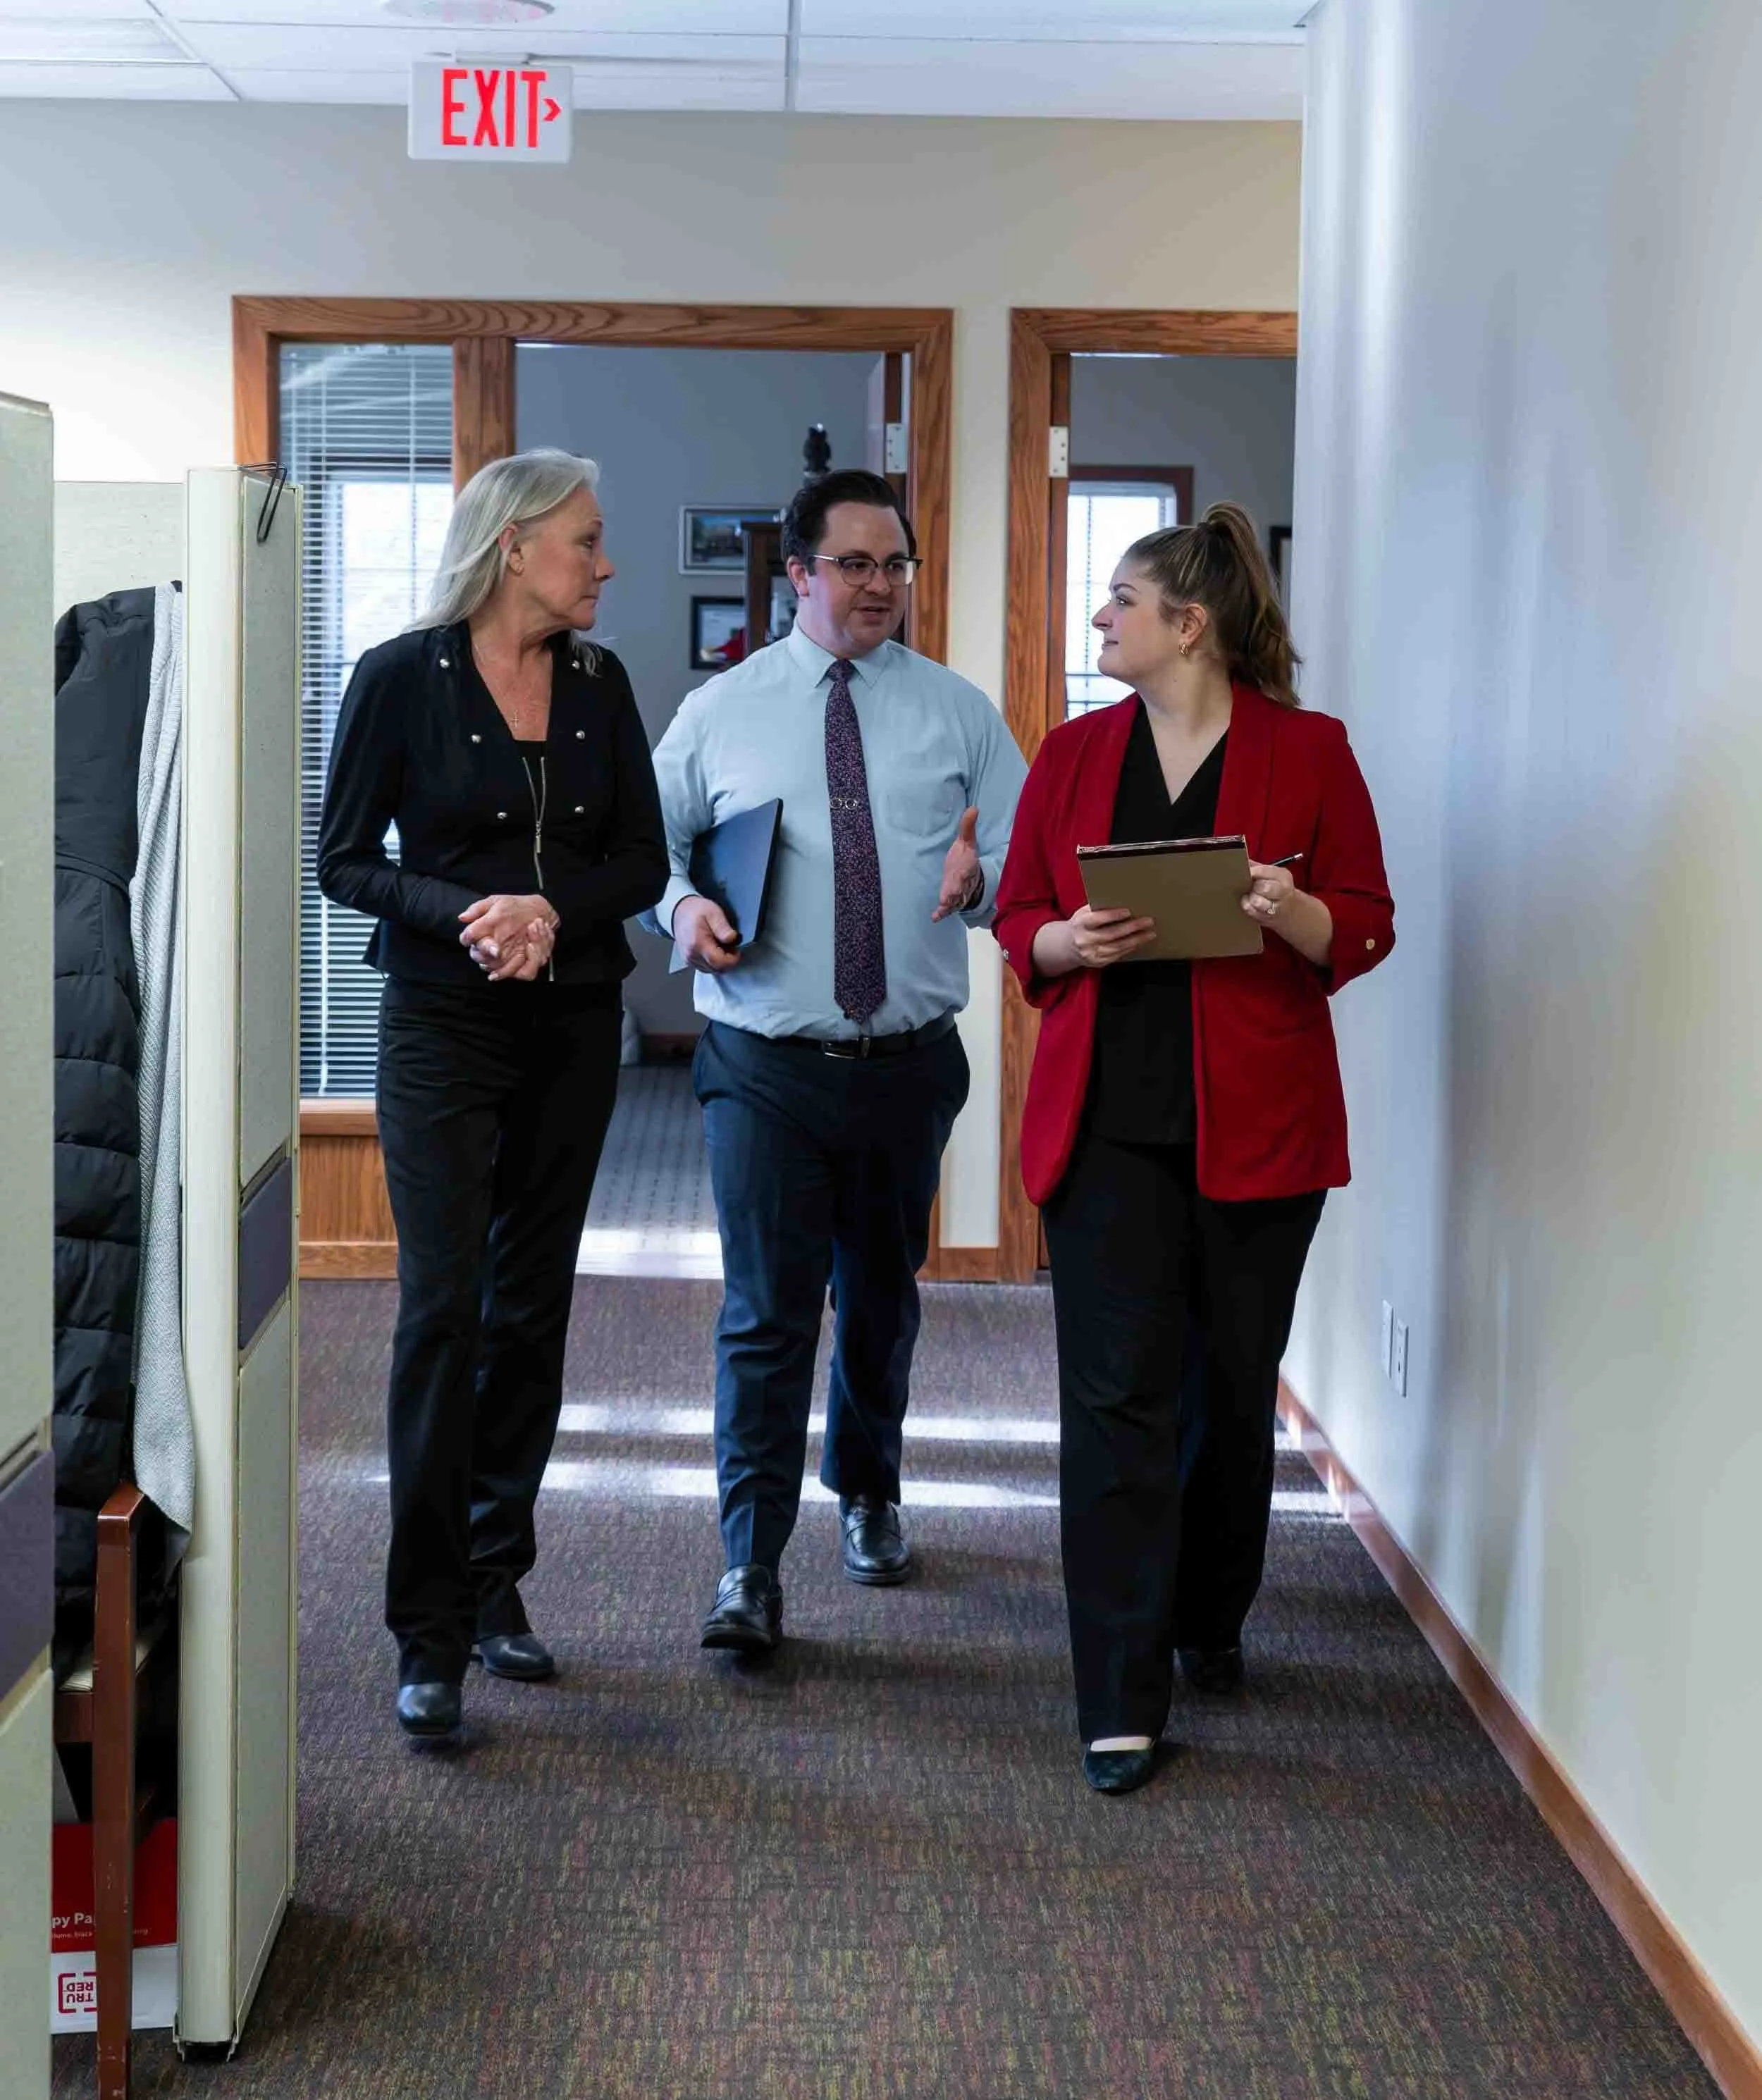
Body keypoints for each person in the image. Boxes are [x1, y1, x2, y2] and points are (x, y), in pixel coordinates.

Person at [992, 503, 1393, 1796]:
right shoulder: (1071, 753)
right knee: (1114, 1407)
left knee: (1227, 1397)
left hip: (1260, 1135)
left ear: (1190, 622)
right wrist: (1065, 945)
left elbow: (1366, 930)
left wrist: (1292, 910)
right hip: (1107, 1128)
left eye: (1119, 599)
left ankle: (1210, 1614)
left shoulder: (1309, 752)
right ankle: (1119, 1695)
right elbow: (1020, 916)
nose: (1100, 618)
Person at [643, 468, 1028, 1654]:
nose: (881, 586)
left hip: (907, 1060)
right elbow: (647, 853)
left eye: (896, 564)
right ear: (799, 574)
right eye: (855, 564)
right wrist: (678, 912)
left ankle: (868, 1491)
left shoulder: (960, 713)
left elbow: (1024, 864)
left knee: (880, 1299)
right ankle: (748, 1565)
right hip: (764, 1059)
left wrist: (986, 883)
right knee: (766, 1313)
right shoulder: (722, 711)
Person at [318, 448, 668, 1740]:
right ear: (515, 545)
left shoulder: (600, 682)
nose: (604, 562)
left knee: (529, 1311)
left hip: (571, 1023)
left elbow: (640, 855)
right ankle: (428, 1631)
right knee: (442, 1313)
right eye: (586, 539)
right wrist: (470, 910)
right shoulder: (399, 678)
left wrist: (545, 908)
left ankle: (494, 1578)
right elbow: (345, 857)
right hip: (439, 1027)